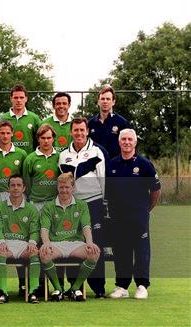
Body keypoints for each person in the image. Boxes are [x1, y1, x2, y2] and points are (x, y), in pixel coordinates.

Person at [107, 129, 161, 300]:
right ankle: (122, 286)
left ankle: (142, 285)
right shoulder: (112, 164)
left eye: (130, 139)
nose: (127, 142)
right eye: (124, 139)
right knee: (121, 252)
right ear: (119, 142)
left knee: (141, 252)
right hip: (117, 217)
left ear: (135, 143)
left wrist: (146, 209)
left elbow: (155, 190)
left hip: (138, 217)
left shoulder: (144, 164)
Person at [58, 117, 108, 298]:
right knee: (73, 243)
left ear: (87, 131)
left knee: (95, 245)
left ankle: (98, 287)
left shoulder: (97, 151)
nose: (79, 133)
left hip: (94, 202)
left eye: (82, 130)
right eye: (76, 130)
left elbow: (104, 180)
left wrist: (103, 203)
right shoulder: (64, 154)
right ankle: (74, 286)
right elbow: (69, 177)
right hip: (74, 206)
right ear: (71, 132)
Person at [40, 173, 100, 302]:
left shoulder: (82, 205)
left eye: (67, 187)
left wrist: (89, 242)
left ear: (73, 188)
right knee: (44, 255)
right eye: (61, 187)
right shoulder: (48, 206)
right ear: (57, 188)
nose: (64, 190)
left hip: (76, 244)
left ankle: (75, 287)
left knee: (94, 253)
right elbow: (44, 229)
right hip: (56, 244)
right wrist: (46, 243)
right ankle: (58, 289)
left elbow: (86, 226)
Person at [0, 175, 41, 304]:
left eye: (19, 185)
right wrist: (1, 242)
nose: (15, 188)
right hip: (6, 244)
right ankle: (3, 293)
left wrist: (32, 242)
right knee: (1, 252)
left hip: (23, 246)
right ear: (8, 188)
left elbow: (35, 230)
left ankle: (33, 292)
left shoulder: (32, 209)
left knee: (34, 252)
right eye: (12, 185)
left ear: (24, 188)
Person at [0, 121, 28, 208]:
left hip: (17, 195)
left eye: (8, 133)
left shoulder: (21, 154)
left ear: (12, 133)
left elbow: (25, 177)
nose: (5, 136)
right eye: (2, 133)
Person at [23, 124, 60, 211]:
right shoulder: (30, 159)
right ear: (38, 139)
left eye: (49, 138)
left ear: (53, 139)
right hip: (36, 203)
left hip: (55, 202)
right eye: (43, 138)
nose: (46, 141)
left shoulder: (60, 157)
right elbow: (26, 183)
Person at [88, 85, 130, 159]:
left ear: (113, 102)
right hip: (96, 166)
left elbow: (129, 146)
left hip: (115, 166)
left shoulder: (122, 123)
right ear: (98, 101)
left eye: (108, 99)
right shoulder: (90, 124)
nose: (105, 101)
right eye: (102, 99)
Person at [1, 85, 42, 154]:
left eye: (21, 97)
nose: (19, 100)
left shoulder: (34, 118)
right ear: (11, 99)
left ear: (26, 99)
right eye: (16, 97)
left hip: (28, 159)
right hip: (9, 160)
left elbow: (41, 139)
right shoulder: (3, 118)